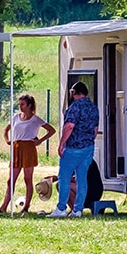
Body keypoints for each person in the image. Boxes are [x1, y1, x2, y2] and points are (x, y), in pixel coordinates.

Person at [0, 93, 56, 213]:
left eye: (23, 104)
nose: (20, 107)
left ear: (29, 105)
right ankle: (4, 206)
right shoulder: (15, 117)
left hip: (28, 148)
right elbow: (6, 129)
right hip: (16, 147)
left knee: (27, 178)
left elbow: (51, 130)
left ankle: (26, 206)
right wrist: (8, 140)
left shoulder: (35, 119)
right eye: (19, 104)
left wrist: (40, 141)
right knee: (11, 180)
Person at [53, 80, 99, 217]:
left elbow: (69, 126)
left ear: (74, 92)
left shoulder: (75, 107)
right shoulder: (94, 107)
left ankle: (61, 208)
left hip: (73, 147)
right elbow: (95, 129)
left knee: (64, 178)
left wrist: (62, 143)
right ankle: (78, 209)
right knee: (82, 178)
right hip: (88, 147)